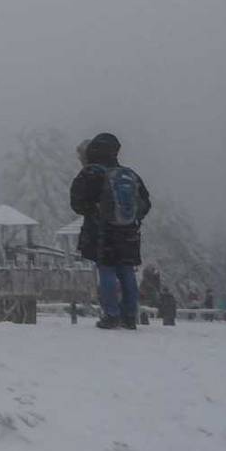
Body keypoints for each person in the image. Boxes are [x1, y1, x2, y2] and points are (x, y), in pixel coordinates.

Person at [69, 132, 151, 330]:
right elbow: (146, 203)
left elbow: (77, 203)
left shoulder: (91, 173)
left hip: (102, 231)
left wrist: (95, 213)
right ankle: (130, 316)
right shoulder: (129, 174)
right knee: (126, 270)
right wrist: (132, 219)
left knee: (106, 270)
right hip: (129, 232)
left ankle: (111, 315)